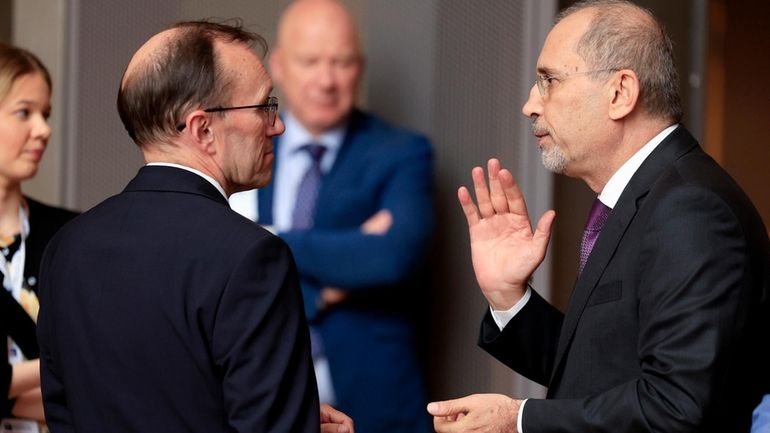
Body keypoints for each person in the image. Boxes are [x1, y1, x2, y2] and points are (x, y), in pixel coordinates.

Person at [427, 1, 770, 432]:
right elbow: (600, 371)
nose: (530, 104)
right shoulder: (647, 196)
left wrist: (518, 419)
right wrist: (508, 299)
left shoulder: (691, 210)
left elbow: (676, 406)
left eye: (548, 80)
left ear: (620, 92)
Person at [36, 20, 353, 433]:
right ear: (203, 129)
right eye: (264, 106)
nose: (278, 126)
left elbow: (66, 415)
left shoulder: (67, 246)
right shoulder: (250, 256)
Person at [229, 1, 434, 432]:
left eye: (341, 63)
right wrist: (327, 285)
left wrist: (264, 239)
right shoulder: (244, 150)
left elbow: (392, 257)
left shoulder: (401, 152)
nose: (326, 80)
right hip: (263, 398)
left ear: (359, 68)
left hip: (376, 404)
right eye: (310, 62)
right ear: (279, 67)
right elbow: (230, 279)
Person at [0, 42, 78, 428]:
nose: (44, 129)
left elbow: (96, 380)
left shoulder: (71, 235)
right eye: (24, 113)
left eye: (45, 114)